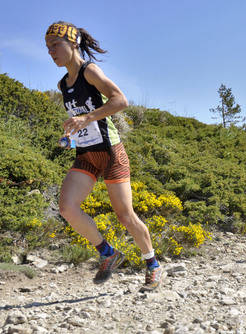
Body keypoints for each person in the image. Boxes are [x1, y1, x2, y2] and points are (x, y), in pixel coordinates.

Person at [45, 21, 164, 290]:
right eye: (47, 47)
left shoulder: (90, 71)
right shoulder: (63, 83)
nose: (51, 52)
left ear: (73, 44)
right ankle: (108, 252)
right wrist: (71, 131)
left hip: (111, 153)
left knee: (125, 216)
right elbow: (81, 119)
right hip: (86, 154)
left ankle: (152, 264)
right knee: (67, 208)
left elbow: (120, 100)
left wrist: (86, 117)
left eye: (55, 45)